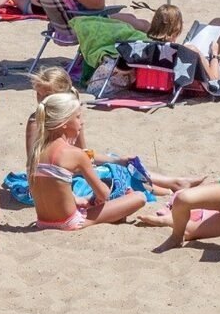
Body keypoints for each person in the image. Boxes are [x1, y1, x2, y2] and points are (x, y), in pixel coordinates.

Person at [25, 91, 158, 228]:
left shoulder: (36, 152)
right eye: (77, 117)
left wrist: (77, 199)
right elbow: (103, 194)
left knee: (87, 200)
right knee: (138, 197)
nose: (82, 122)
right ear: (64, 123)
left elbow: (51, 188)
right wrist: (103, 192)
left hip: (42, 222)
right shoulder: (76, 154)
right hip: (70, 222)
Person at [145, 1, 220, 85]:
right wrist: (214, 54)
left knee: (219, 22)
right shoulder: (190, 50)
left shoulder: (147, 47)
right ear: (177, 30)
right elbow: (214, 79)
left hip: (197, 68)